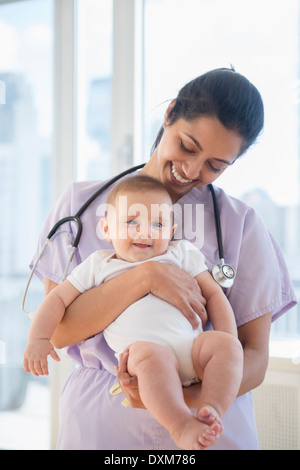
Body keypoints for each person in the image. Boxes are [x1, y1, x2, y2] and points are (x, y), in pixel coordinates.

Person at [29, 68, 297, 450]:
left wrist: (184, 405)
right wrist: (145, 277)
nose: (192, 170)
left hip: (210, 423)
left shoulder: (242, 224)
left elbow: (252, 354)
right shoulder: (81, 205)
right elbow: (60, 331)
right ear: (170, 114)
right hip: (103, 423)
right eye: (188, 146)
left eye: (215, 166)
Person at [23, 175, 243, 450]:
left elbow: (214, 295)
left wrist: (228, 339)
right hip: (146, 356)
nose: (145, 232)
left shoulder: (181, 253)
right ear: (106, 228)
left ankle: (209, 410)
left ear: (171, 231)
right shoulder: (100, 265)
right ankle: (181, 425)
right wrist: (38, 338)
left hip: (195, 350)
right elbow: (57, 299)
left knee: (227, 347)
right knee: (150, 356)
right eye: (131, 222)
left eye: (158, 224)